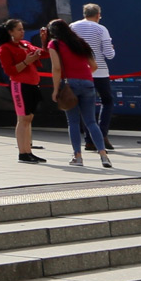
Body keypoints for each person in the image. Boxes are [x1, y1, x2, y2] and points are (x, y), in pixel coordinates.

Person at [46, 18, 110, 169]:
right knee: (91, 122)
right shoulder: (80, 43)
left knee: (73, 122)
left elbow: (56, 68)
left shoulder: (54, 44)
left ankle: (78, 156)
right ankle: (103, 155)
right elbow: (93, 66)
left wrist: (55, 90)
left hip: (69, 85)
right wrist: (84, 76)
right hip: (88, 83)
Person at [0, 17, 49, 165]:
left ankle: (28, 151)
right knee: (23, 118)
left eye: (22, 29)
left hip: (32, 83)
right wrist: (26, 62)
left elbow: (44, 53)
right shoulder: (5, 49)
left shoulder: (25, 44)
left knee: (29, 118)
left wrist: (44, 41)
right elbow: (10, 71)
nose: (22, 32)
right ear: (10, 32)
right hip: (20, 85)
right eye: (19, 29)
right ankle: (23, 152)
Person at [70, 4, 116, 152]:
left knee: (85, 106)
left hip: (81, 72)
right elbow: (109, 54)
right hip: (100, 72)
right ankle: (101, 134)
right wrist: (112, 49)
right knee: (107, 101)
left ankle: (89, 140)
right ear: (98, 15)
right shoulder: (101, 29)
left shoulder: (72, 27)